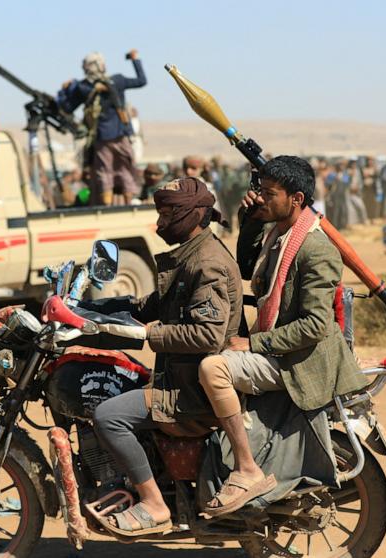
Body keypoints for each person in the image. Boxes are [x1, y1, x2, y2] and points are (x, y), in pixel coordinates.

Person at [197, 155, 369, 516]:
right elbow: (247, 270)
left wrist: (254, 343)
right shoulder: (280, 234)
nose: (262, 198)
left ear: (297, 200)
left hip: (301, 361)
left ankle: (246, 469)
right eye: (260, 192)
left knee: (214, 369)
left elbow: (315, 326)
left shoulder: (315, 248)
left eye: (270, 194)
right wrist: (250, 222)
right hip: (281, 348)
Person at [90, 177, 241, 536]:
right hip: (178, 377)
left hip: (191, 392)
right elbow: (151, 306)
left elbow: (208, 335)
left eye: (169, 213)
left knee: (108, 415)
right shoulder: (190, 255)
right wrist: (90, 310)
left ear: (194, 214)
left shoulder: (206, 263)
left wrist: (147, 334)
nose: (160, 224)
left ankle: (154, 504)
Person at [58, 49, 146, 206]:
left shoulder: (83, 87)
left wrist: (66, 89)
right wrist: (135, 59)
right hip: (122, 135)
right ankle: (128, 205)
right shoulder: (117, 81)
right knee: (126, 170)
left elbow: (65, 107)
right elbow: (141, 81)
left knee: (105, 172)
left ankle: (107, 207)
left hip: (102, 138)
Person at [345, 159, 368, 225]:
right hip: (349, 193)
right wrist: (349, 176)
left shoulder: (358, 171)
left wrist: (358, 188)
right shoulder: (346, 172)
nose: (354, 166)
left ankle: (363, 220)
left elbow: (360, 182)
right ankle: (352, 223)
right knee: (351, 210)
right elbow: (344, 181)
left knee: (361, 207)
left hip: (357, 193)